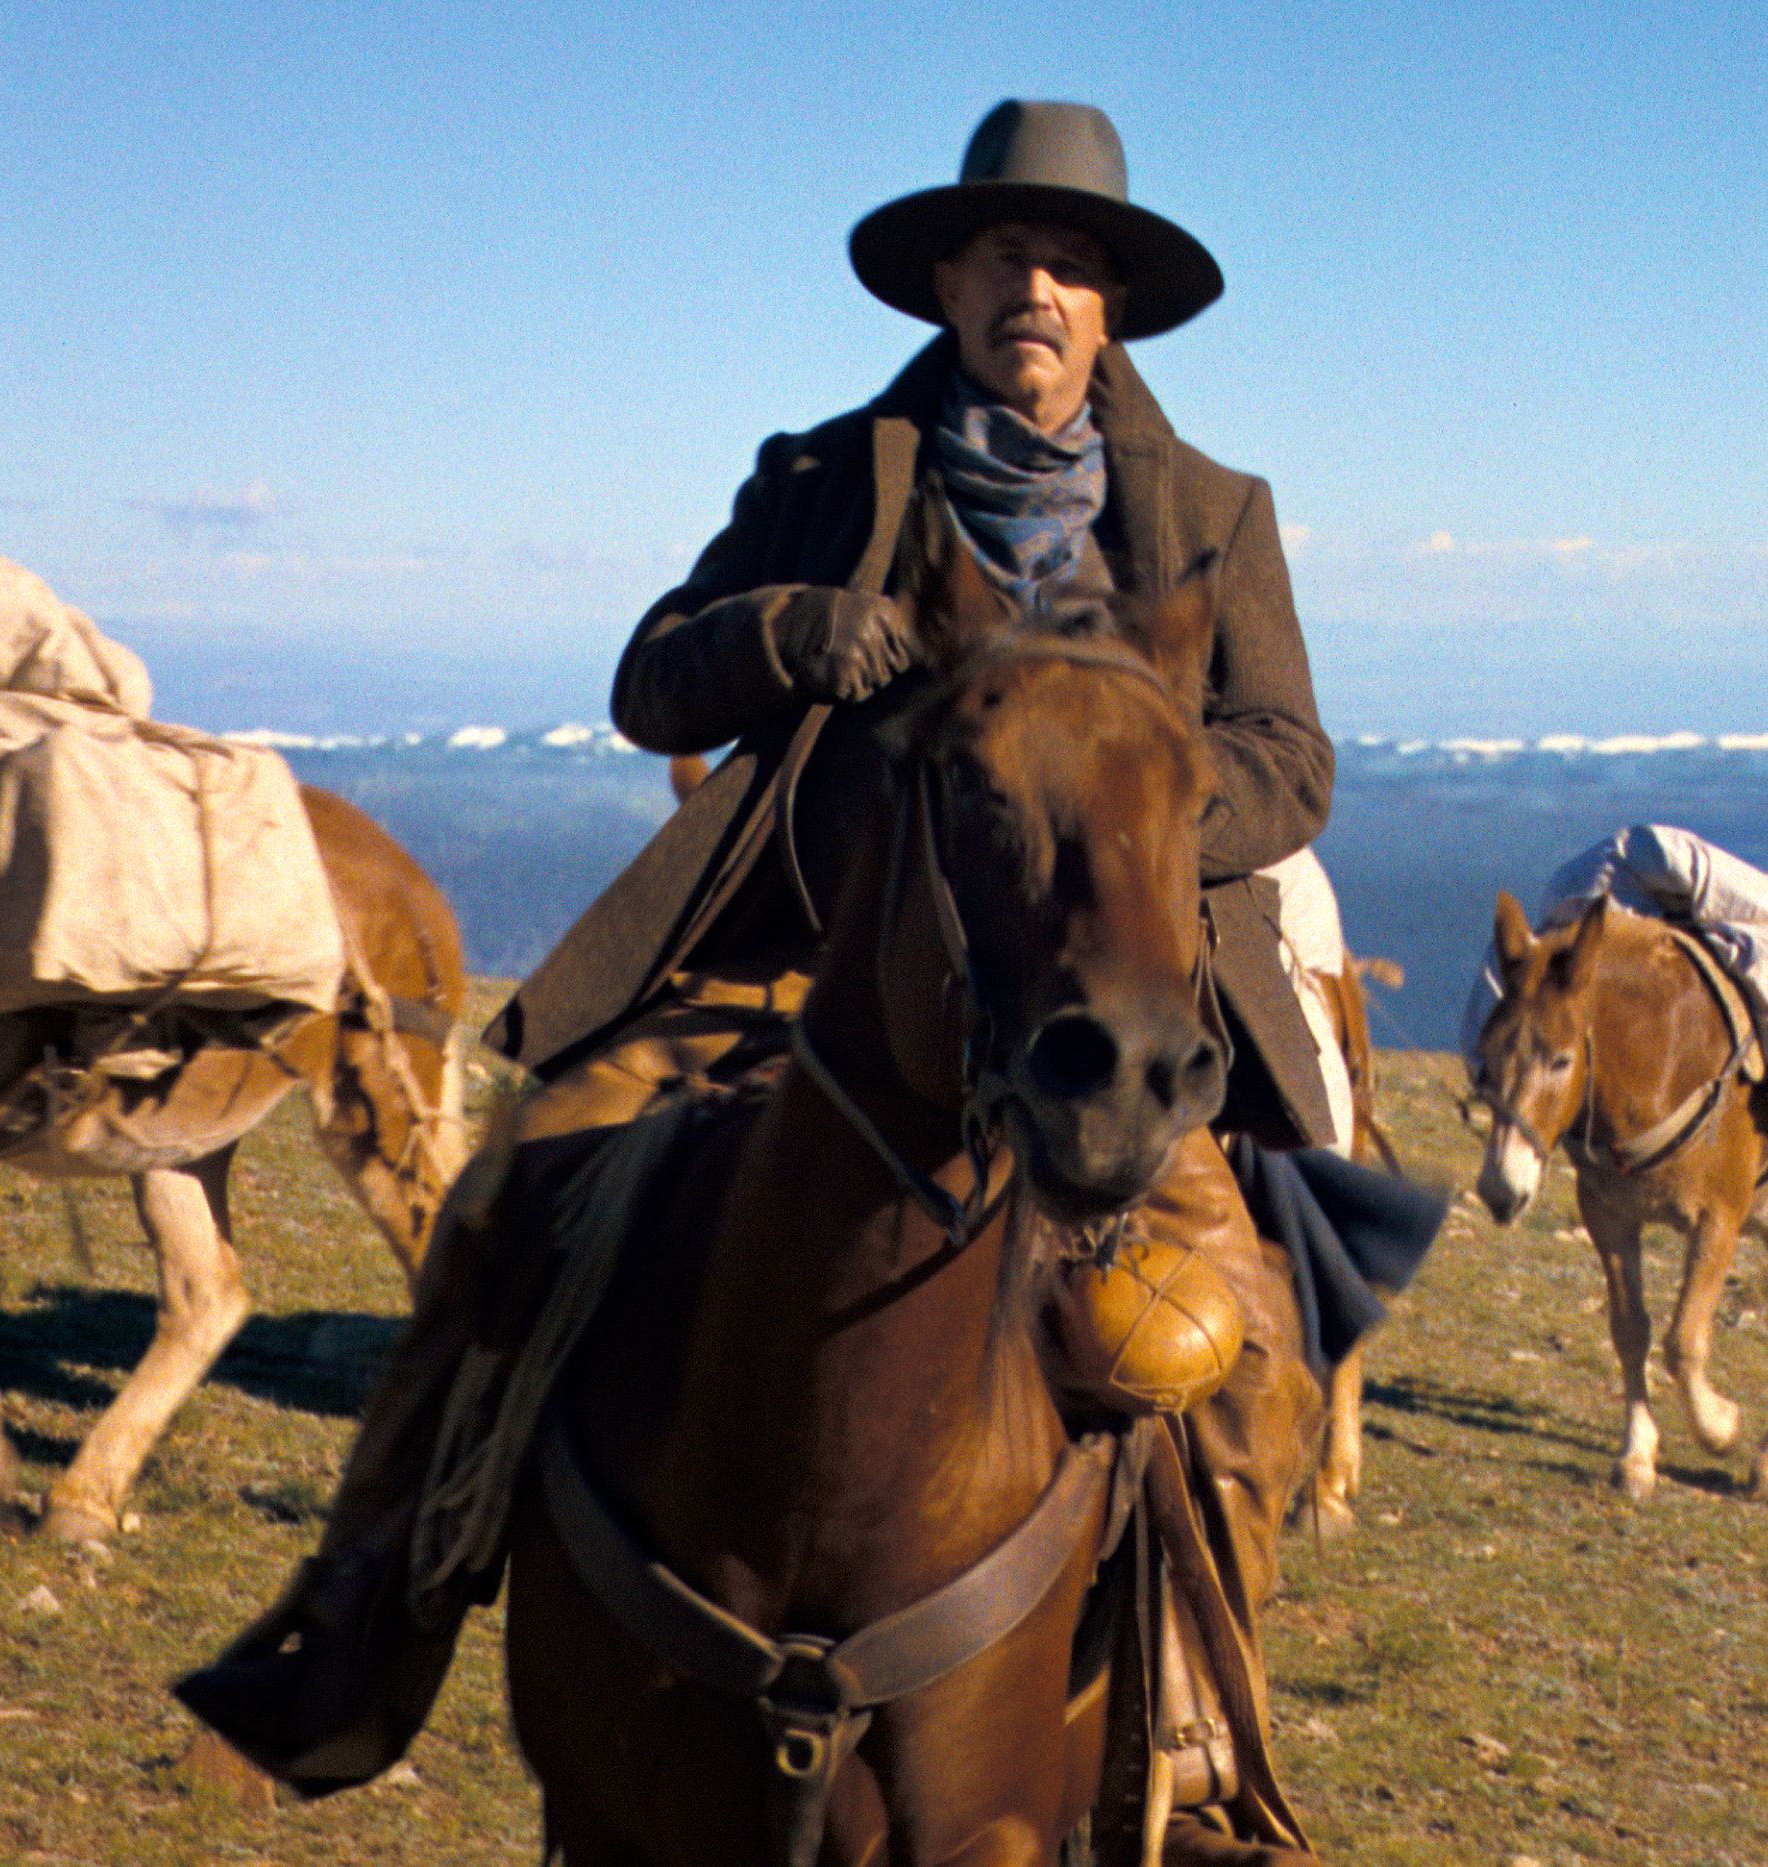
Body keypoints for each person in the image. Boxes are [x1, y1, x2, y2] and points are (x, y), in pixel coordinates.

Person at [179, 101, 1334, 1856]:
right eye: (1004, 251)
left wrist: (1141, 796)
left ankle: (1195, 1748)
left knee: (1234, 1336)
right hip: (791, 978)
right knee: (525, 1182)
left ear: (1111, 307)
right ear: (943, 278)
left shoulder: (1209, 519)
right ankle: (363, 1613)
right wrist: (780, 632)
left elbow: (1291, 761)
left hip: (1080, 1011)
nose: (1035, 282)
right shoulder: (816, 473)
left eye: (1071, 259)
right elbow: (654, 680)